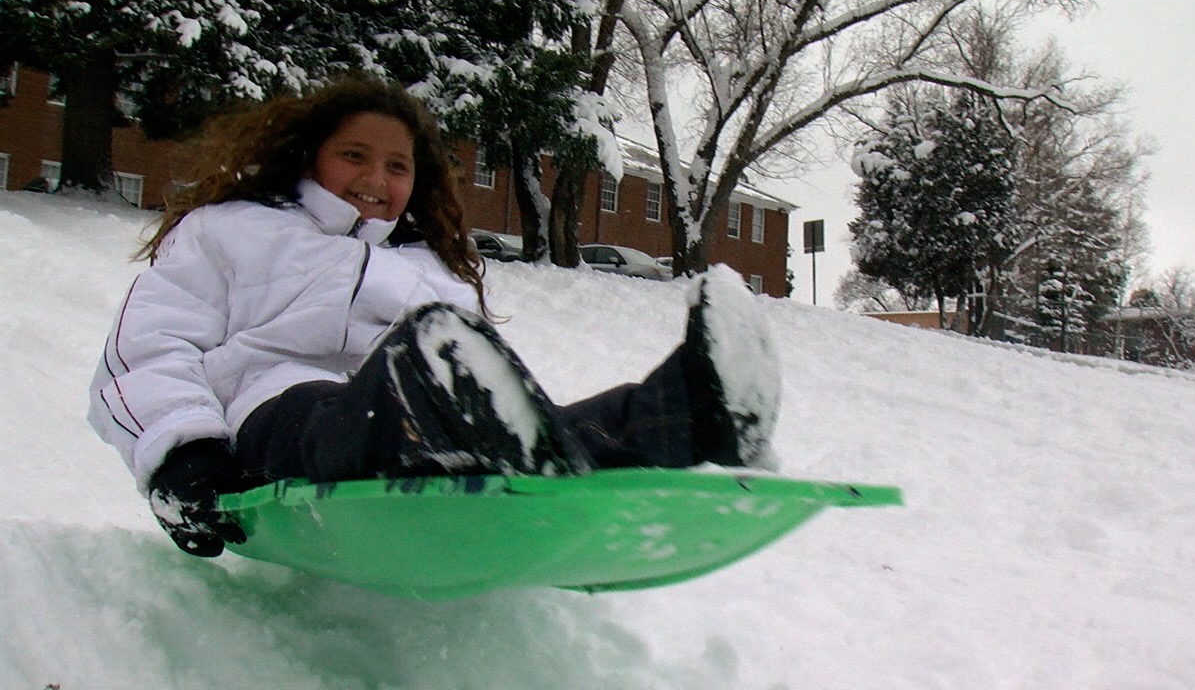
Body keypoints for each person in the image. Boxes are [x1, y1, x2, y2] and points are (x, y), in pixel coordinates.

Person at [88, 76, 781, 559]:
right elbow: (149, 350)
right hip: (272, 421)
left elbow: (498, 388)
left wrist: (510, 411)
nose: (376, 178)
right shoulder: (230, 231)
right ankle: (431, 400)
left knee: (551, 430)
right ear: (308, 157)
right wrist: (184, 454)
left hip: (419, 418)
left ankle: (688, 409)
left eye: (398, 166)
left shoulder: (430, 268)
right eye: (354, 156)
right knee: (349, 405)